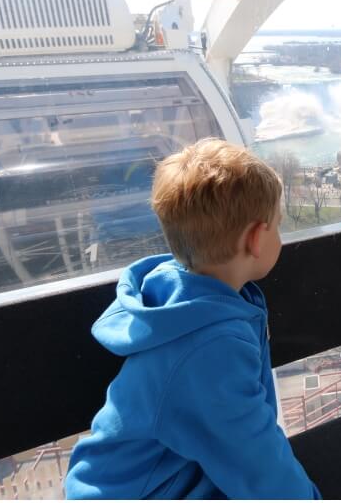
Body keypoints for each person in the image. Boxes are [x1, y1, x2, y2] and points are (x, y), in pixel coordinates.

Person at [65, 139, 319, 499]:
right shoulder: (209, 348)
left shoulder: (185, 297)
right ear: (256, 239)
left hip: (157, 476)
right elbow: (256, 461)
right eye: (278, 225)